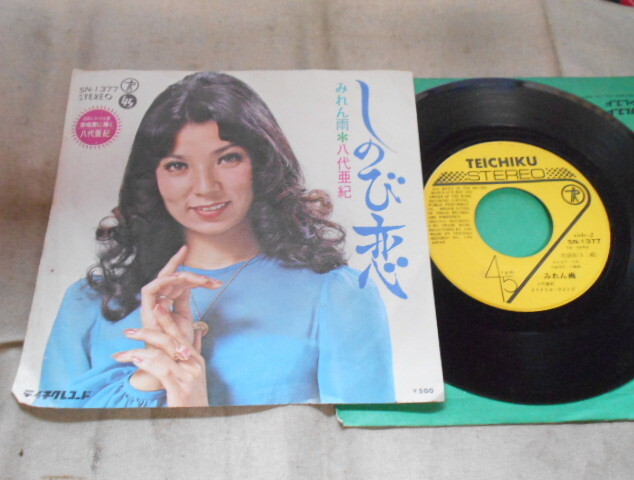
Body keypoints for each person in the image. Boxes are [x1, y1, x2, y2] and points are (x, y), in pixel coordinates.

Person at [37, 72, 395, 408]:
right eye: (177, 165)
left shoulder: (338, 295)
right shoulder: (88, 303)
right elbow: (56, 439)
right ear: (152, 178)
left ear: (261, 163)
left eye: (227, 159)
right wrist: (148, 380)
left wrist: (195, 411)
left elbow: (357, 440)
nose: (206, 188)